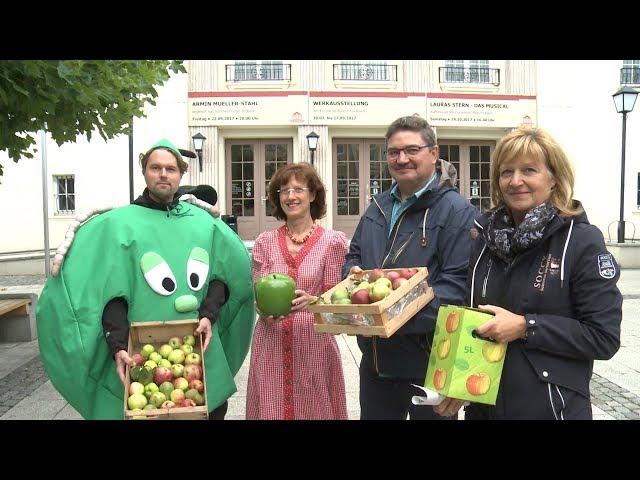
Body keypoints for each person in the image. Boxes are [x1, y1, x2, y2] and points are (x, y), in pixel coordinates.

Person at [36, 138, 255, 420]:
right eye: (156, 168)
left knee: (210, 411)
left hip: (201, 349)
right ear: (145, 172)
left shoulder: (204, 223)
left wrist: (209, 315)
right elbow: (111, 292)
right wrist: (117, 346)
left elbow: (223, 277)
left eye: (170, 169)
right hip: (144, 359)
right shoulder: (119, 225)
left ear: (181, 174)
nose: (163, 174)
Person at [437, 127, 622, 420]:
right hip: (486, 409)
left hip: (552, 408)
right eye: (506, 172)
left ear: (554, 178)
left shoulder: (581, 240)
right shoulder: (486, 238)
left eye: (529, 170)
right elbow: (476, 321)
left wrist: (527, 326)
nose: (515, 181)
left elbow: (603, 336)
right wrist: (458, 381)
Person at [342, 115, 477, 420]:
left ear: (434, 152)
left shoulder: (457, 211)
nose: (402, 159)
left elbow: (456, 288)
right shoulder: (378, 206)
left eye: (412, 150)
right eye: (393, 152)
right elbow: (354, 257)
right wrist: (351, 278)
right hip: (375, 363)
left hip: (427, 364)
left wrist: (390, 313)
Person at [246, 162, 349, 420]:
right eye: (283, 191)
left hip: (314, 343)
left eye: (298, 189)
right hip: (271, 342)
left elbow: (337, 302)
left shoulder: (333, 242)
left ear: (313, 195)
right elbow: (259, 291)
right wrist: (264, 310)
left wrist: (315, 301)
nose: (291, 196)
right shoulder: (264, 242)